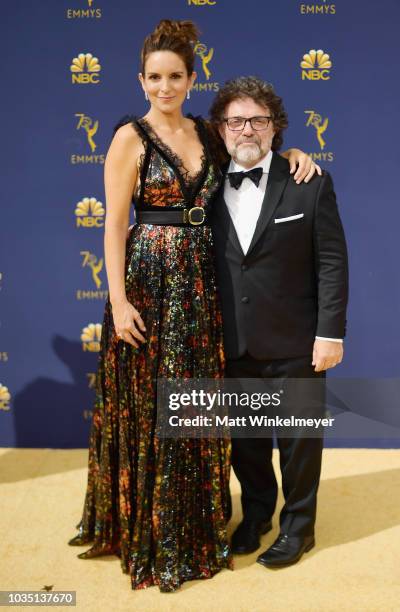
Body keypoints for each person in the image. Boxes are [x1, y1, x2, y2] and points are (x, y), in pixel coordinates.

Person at [68, 21, 320, 592]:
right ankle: (152, 528)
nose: (164, 86)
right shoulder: (128, 137)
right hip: (147, 284)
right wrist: (118, 299)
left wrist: (295, 151)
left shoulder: (210, 132)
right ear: (141, 80)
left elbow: (255, 151)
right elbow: (112, 226)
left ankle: (194, 523)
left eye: (175, 76)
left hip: (202, 286)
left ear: (190, 78)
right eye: (154, 77)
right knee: (153, 410)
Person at [209, 76, 348, 568]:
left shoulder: (309, 180)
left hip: (296, 342)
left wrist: (329, 333)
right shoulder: (205, 185)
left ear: (275, 128)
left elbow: (331, 261)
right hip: (232, 342)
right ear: (221, 129)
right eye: (236, 120)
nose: (247, 130)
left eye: (258, 120)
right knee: (245, 447)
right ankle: (257, 517)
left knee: (299, 446)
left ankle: (299, 529)